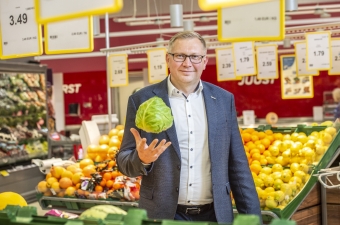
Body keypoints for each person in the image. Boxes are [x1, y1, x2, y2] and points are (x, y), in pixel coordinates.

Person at [116, 31, 262, 223]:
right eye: (180, 56)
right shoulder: (142, 100)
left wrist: (253, 218)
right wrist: (142, 160)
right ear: (168, 59)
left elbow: (238, 165)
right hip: (164, 215)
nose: (187, 63)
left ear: (204, 61)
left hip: (215, 215)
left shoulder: (223, 100)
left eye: (195, 56)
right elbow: (124, 162)